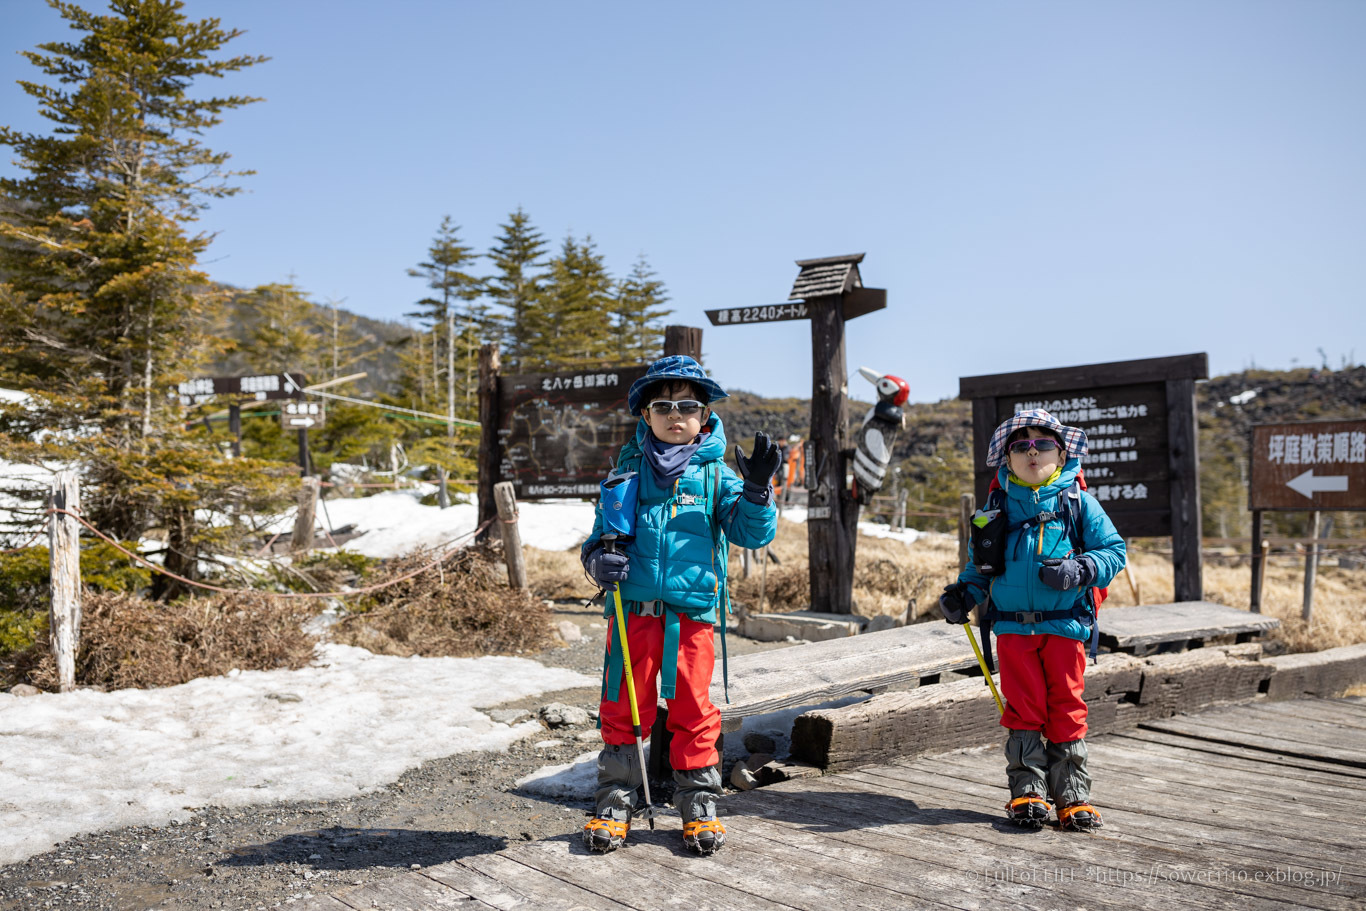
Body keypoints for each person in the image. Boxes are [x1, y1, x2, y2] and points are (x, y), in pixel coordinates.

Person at [580, 355, 779, 855]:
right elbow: (597, 540)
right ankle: (615, 802)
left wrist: (756, 490)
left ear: (704, 417)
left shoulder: (716, 476)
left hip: (691, 616)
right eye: (663, 405)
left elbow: (752, 534)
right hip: (632, 614)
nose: (676, 414)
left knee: (693, 709)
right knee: (623, 708)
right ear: (644, 414)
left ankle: (699, 804)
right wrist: (597, 561)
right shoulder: (626, 471)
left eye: (688, 406)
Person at [939, 409, 1125, 831]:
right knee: (1023, 710)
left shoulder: (1080, 504)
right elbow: (978, 568)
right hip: (1012, 631)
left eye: (1043, 444)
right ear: (1007, 459)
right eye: (1021, 446)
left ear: (1061, 455)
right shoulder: (996, 507)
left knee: (1067, 706)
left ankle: (1073, 797)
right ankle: (1028, 793)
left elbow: (1114, 552)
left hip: (1064, 627)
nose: (1032, 452)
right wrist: (962, 594)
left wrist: (1080, 570)